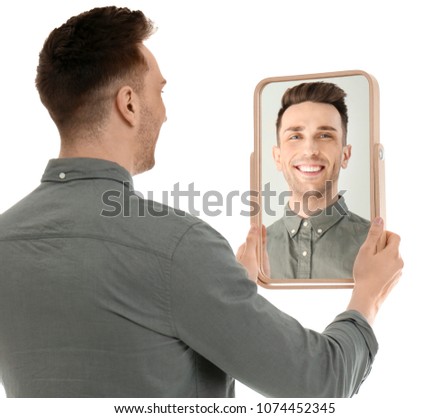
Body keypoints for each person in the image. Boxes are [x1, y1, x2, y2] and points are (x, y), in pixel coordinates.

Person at [0, 6, 403, 398]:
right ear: (128, 103)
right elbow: (320, 382)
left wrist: (224, 290)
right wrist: (367, 294)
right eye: (159, 91)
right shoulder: (179, 247)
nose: (164, 112)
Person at [267, 82, 370, 279]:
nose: (310, 150)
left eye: (325, 135)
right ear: (277, 157)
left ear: (345, 155)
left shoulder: (378, 247)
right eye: (296, 136)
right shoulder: (254, 254)